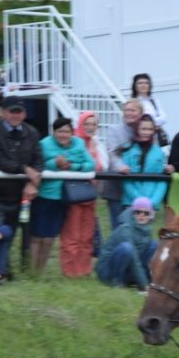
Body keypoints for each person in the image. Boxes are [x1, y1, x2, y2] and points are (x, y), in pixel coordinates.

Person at [35, 116, 95, 275]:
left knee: (50, 238)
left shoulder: (79, 143)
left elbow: (91, 165)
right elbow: (38, 163)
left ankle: (40, 272)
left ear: (72, 132)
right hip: (45, 194)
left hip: (67, 196)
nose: (64, 135)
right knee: (37, 236)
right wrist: (54, 164)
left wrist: (71, 165)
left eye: (67, 131)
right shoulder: (44, 144)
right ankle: (32, 272)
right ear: (54, 132)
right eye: (60, 131)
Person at [0, 96, 42, 255]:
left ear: (24, 114)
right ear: (3, 112)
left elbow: (38, 160)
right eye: (12, 111)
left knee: (16, 234)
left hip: (21, 197)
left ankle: (12, 269)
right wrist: (25, 169)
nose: (15, 115)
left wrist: (33, 184)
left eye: (19, 112)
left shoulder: (32, 132)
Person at [63, 111, 106, 278]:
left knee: (87, 235)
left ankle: (84, 270)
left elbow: (100, 167)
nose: (90, 127)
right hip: (74, 194)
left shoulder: (94, 143)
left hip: (90, 195)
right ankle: (70, 270)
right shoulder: (74, 142)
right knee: (72, 234)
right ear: (80, 124)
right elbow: (72, 164)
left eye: (93, 124)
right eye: (86, 124)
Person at [96, 197, 157, 289]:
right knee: (127, 248)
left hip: (127, 267)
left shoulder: (147, 229)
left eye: (146, 213)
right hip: (107, 270)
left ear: (150, 215)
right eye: (138, 212)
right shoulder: (125, 228)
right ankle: (116, 281)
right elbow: (134, 258)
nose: (142, 215)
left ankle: (145, 281)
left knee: (154, 245)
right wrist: (144, 285)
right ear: (133, 213)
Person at [105, 99, 143, 228]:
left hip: (137, 188)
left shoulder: (145, 131)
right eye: (126, 110)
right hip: (117, 187)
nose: (128, 113)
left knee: (138, 228)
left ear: (140, 113)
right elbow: (112, 153)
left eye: (132, 110)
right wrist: (120, 166)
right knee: (119, 228)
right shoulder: (114, 130)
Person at [121, 115, 168, 212]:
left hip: (151, 203)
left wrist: (153, 201)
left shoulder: (158, 152)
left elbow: (162, 179)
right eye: (143, 129)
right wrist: (140, 201)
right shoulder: (127, 149)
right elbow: (126, 179)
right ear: (137, 129)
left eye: (150, 129)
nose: (146, 132)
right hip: (130, 202)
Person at [131, 73, 168, 140]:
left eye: (146, 83)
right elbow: (135, 121)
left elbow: (164, 118)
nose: (143, 85)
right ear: (135, 86)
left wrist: (148, 123)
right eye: (140, 83)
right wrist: (154, 123)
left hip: (155, 138)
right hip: (139, 138)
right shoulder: (133, 102)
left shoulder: (154, 101)